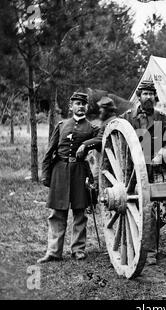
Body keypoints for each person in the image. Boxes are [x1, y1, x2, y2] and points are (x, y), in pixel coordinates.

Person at [120, 80, 166, 266]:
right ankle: (129, 245)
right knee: (129, 208)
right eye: (145, 93)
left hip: (153, 169)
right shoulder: (128, 117)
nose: (149, 97)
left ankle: (151, 251)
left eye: (151, 94)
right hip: (131, 172)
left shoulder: (162, 118)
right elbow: (111, 132)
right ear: (139, 96)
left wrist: (164, 152)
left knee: (151, 211)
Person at [38, 92, 100, 263]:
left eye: (83, 104)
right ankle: (53, 251)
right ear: (70, 106)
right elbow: (50, 151)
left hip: (80, 171)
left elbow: (102, 138)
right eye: (77, 103)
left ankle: (78, 249)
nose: (80, 106)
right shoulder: (62, 125)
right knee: (57, 213)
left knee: (80, 212)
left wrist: (85, 145)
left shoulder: (92, 128)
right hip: (60, 171)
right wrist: (46, 174)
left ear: (87, 107)